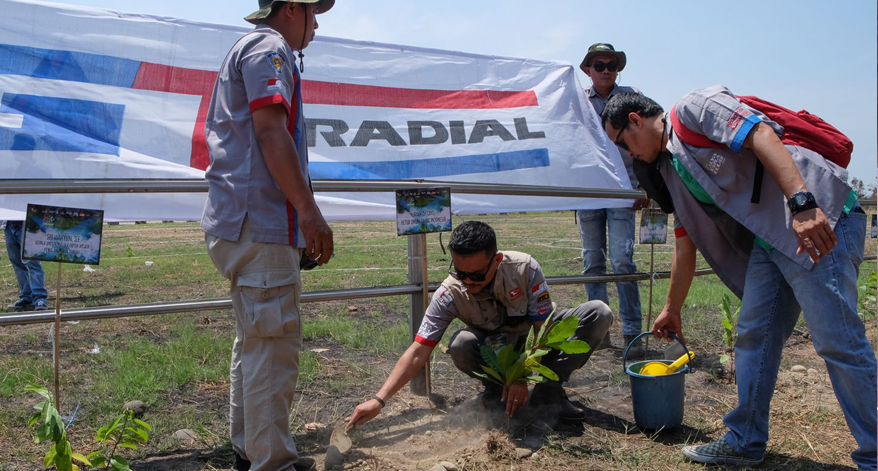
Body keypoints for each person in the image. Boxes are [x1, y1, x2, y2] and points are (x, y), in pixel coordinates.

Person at [601, 88, 876, 469]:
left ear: (635, 119)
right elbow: (685, 245)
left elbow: (761, 134)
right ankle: (745, 440)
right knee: (753, 333)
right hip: (774, 241)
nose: (628, 155)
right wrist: (671, 308)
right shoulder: (670, 170)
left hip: (817, 219)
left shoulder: (693, 108)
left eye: (623, 143)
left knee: (837, 339)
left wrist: (802, 203)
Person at [200, 0, 334, 471]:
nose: (316, 28)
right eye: (314, 14)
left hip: (239, 222)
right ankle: (271, 463)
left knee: (255, 342)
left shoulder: (250, 49)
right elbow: (271, 133)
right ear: (292, 9)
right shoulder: (269, 49)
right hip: (261, 224)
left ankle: (249, 450)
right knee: (273, 347)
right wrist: (309, 213)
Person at [348, 221, 613, 429]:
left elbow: (542, 329)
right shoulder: (448, 293)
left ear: (496, 260)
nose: (467, 282)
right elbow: (419, 350)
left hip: (536, 344)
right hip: (496, 351)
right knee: (461, 345)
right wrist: (379, 400)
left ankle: (548, 393)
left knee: (598, 313)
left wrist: (521, 375)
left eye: (476, 275)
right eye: (459, 273)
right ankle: (497, 395)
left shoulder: (525, 268)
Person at [577, 43, 645, 347]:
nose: (606, 70)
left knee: (622, 261)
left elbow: (650, 135)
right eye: (599, 65)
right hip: (588, 192)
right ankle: (597, 330)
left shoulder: (633, 97)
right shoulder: (575, 99)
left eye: (611, 65)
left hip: (623, 190)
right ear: (588, 70)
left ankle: (632, 330)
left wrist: (645, 188)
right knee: (592, 260)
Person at [3, 220, 48, 311]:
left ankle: (39, 298)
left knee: (33, 262)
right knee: (17, 263)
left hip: (27, 225)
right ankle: (26, 296)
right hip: (8, 225)